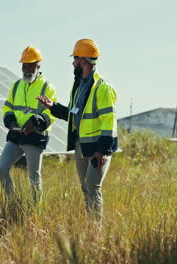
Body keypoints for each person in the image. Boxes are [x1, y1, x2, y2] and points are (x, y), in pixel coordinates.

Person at [37, 39, 118, 221]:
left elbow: (109, 122)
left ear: (82, 61)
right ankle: (91, 225)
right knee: (85, 187)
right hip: (82, 145)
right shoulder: (78, 86)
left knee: (93, 186)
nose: (72, 63)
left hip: (98, 148)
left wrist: (102, 150)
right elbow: (74, 115)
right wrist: (53, 107)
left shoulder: (102, 87)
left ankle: (95, 231)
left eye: (74, 59)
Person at [0, 46, 57, 201]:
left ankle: (36, 210)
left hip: (35, 136)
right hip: (16, 135)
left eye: (30, 65)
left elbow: (51, 113)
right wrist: (10, 120)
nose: (27, 69)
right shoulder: (16, 86)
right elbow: (7, 107)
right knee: (2, 168)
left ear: (38, 66)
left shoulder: (47, 87)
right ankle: (13, 202)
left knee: (33, 177)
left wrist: (35, 122)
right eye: (24, 65)